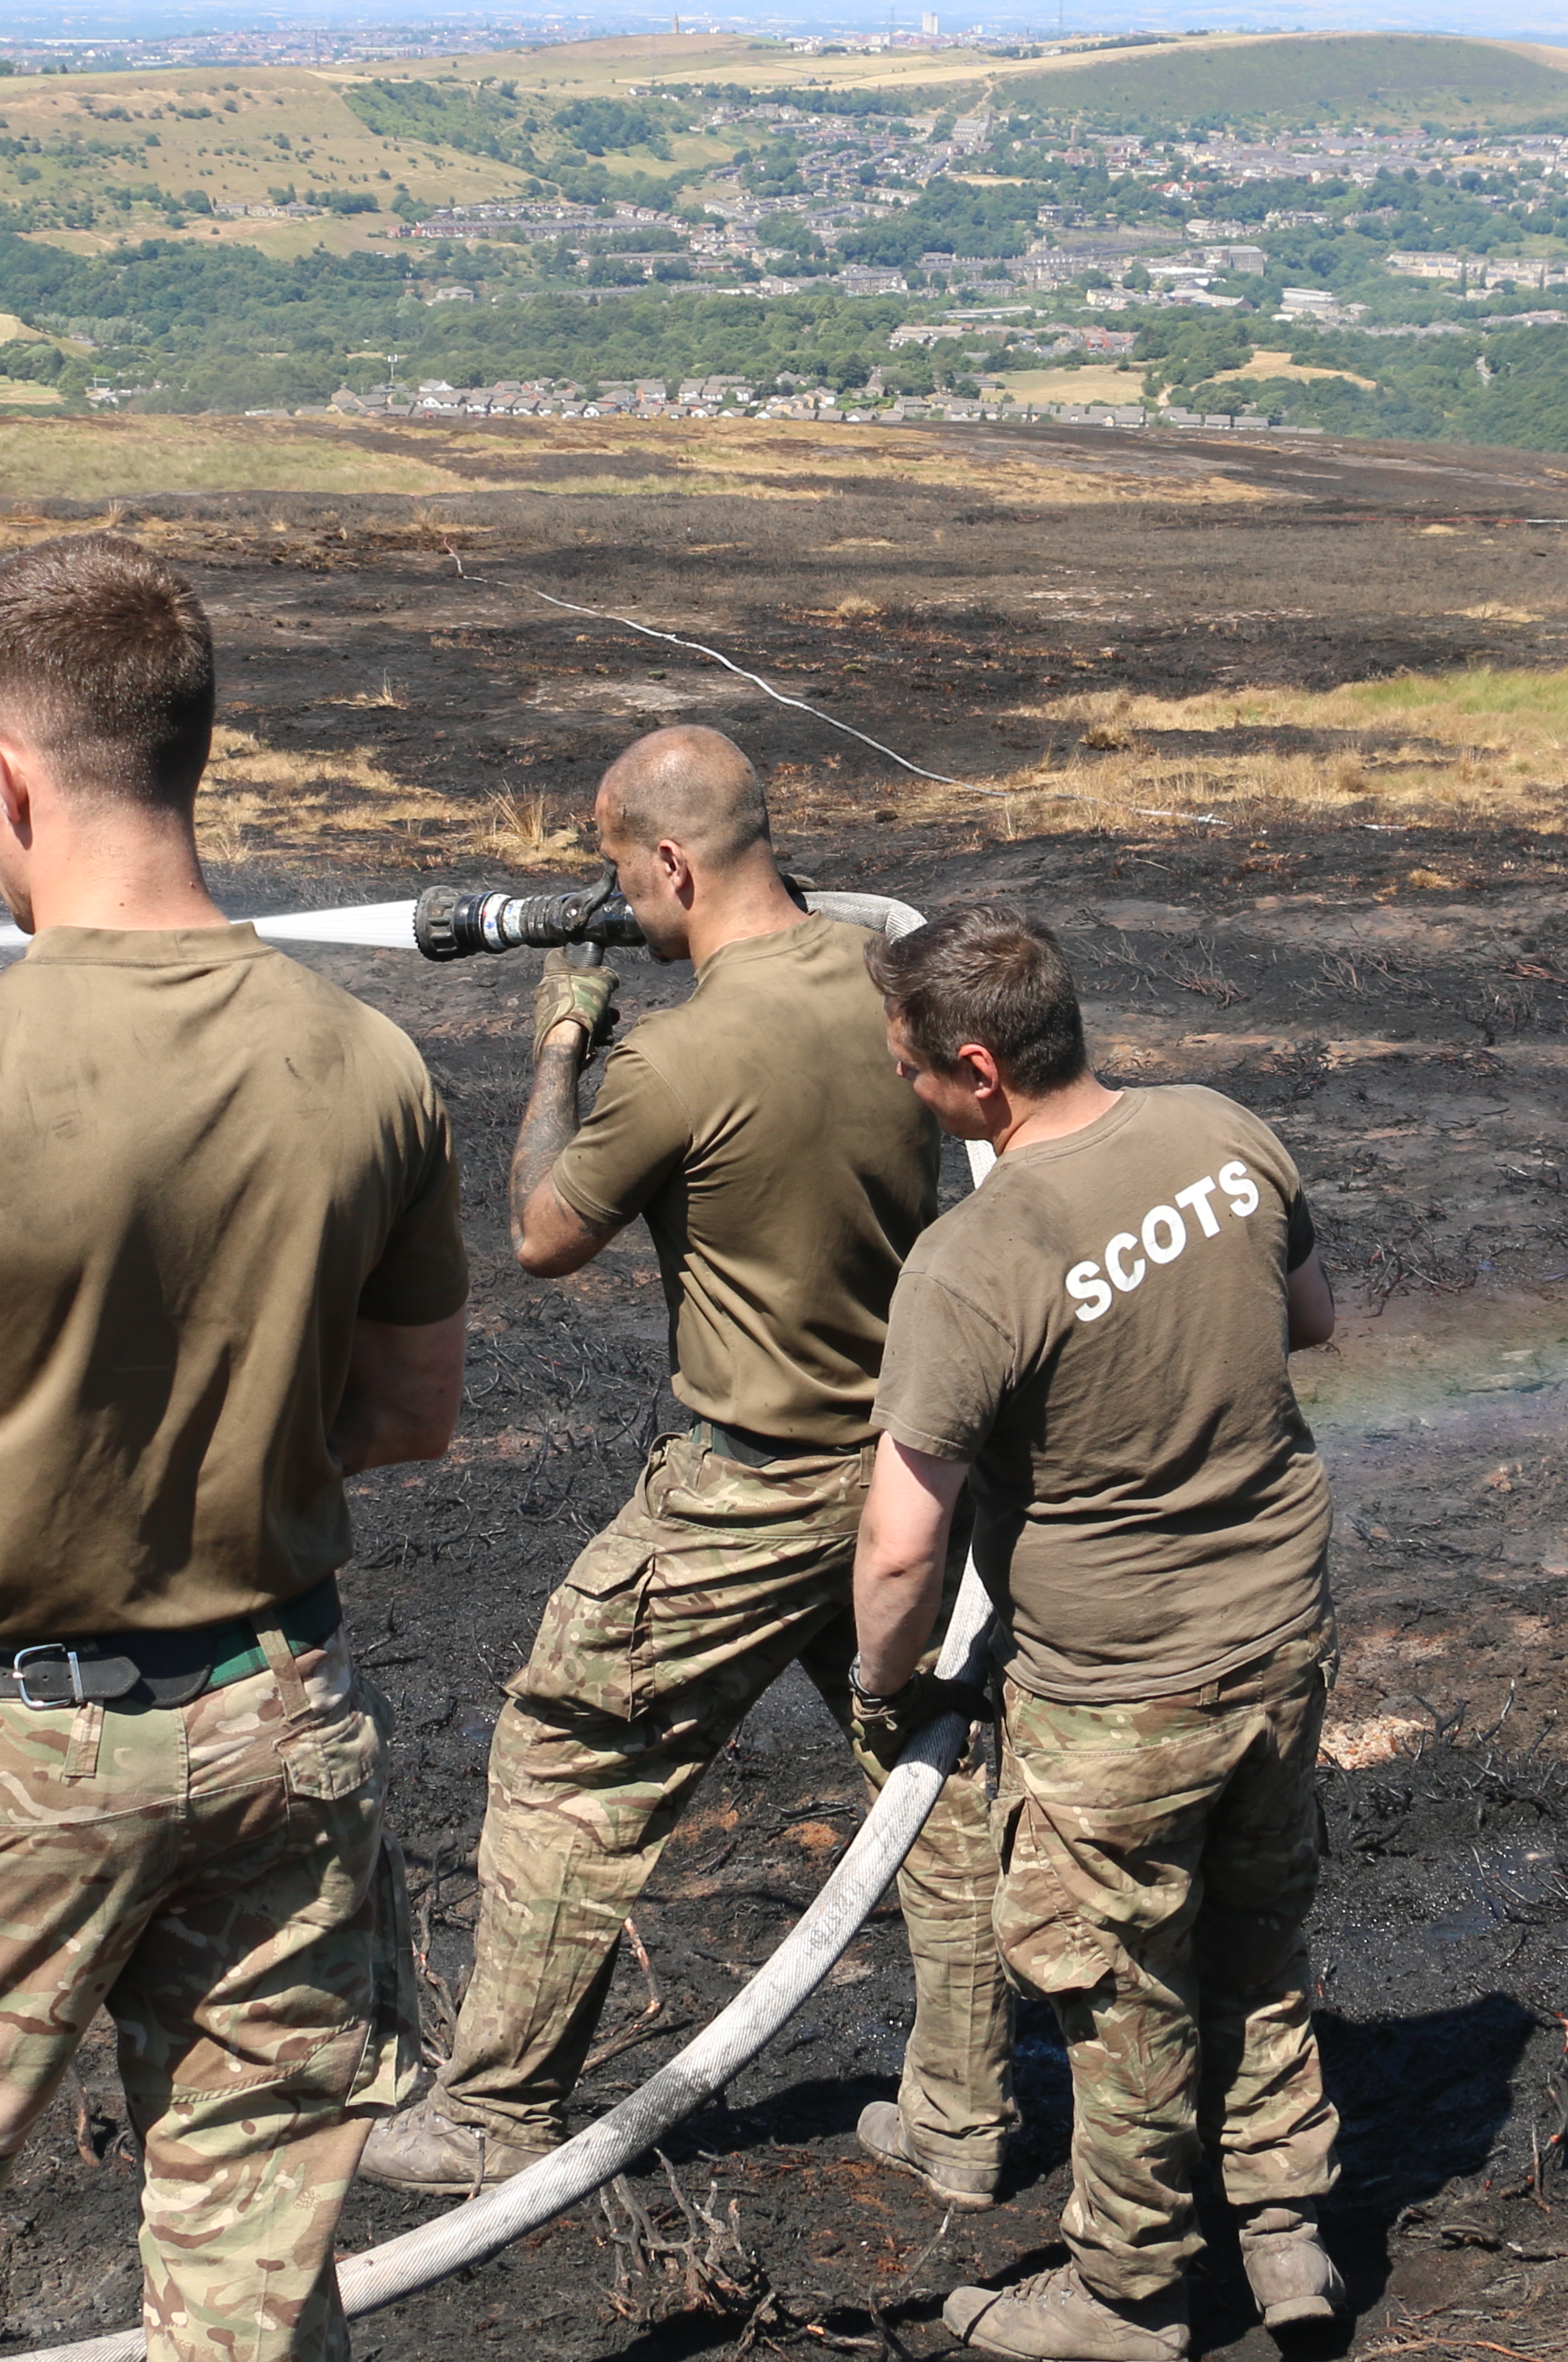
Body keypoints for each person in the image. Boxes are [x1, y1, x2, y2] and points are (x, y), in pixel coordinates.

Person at [0, 531, 468, 2362]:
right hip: (284, 1724)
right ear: (190, 753)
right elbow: (407, 1416)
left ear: (2, 766)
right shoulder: (374, 1065)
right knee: (252, 2282)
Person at [362, 726, 1008, 2205]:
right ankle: (966, 2123)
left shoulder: (674, 1056)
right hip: (910, 1471)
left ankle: (496, 2115)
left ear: (668, 862)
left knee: (572, 1748)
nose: (616, 903)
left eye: (617, 876)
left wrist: (563, 1040)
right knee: (930, 1773)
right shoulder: (888, 982)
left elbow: (542, 1233)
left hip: (751, 1488)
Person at [850, 903, 1347, 2362]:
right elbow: (1311, 1318)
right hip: (1277, 1630)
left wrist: (892, 1682)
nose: (910, 1097)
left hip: (1118, 1685)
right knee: (1257, 1936)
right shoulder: (1223, 1129)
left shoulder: (974, 1255)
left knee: (1117, 1987)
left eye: (916, 1073)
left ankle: (1128, 2295)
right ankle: (1287, 2231)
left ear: (981, 1071)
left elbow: (900, 1541)